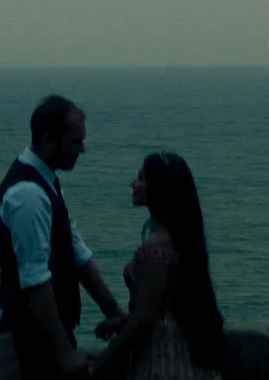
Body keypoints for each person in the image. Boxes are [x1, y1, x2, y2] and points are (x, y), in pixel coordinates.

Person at [0, 95, 128, 379]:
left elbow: (76, 251)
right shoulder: (27, 195)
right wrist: (64, 352)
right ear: (48, 140)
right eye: (76, 142)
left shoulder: (46, 183)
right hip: (32, 342)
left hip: (46, 338)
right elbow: (35, 280)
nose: (82, 149)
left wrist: (113, 310)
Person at [90, 152, 227, 380]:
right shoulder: (184, 239)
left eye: (141, 179)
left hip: (161, 358)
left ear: (159, 189)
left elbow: (144, 319)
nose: (133, 184)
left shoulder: (155, 250)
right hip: (189, 353)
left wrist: (98, 365)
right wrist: (125, 320)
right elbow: (168, 302)